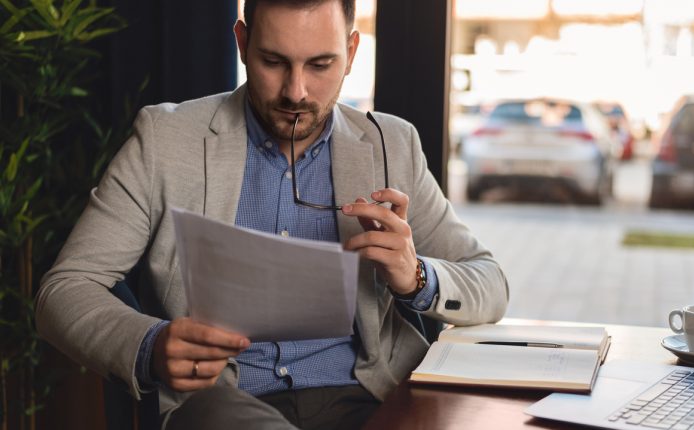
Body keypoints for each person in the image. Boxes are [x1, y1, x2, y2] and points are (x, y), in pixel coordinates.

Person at [35, 0, 509, 428]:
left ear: (351, 51)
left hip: (370, 398)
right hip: (223, 403)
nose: (296, 91)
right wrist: (151, 345)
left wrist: (417, 275)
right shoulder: (164, 139)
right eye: (273, 62)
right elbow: (64, 289)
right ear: (241, 43)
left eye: (321, 64)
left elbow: (489, 282)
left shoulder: (392, 144)